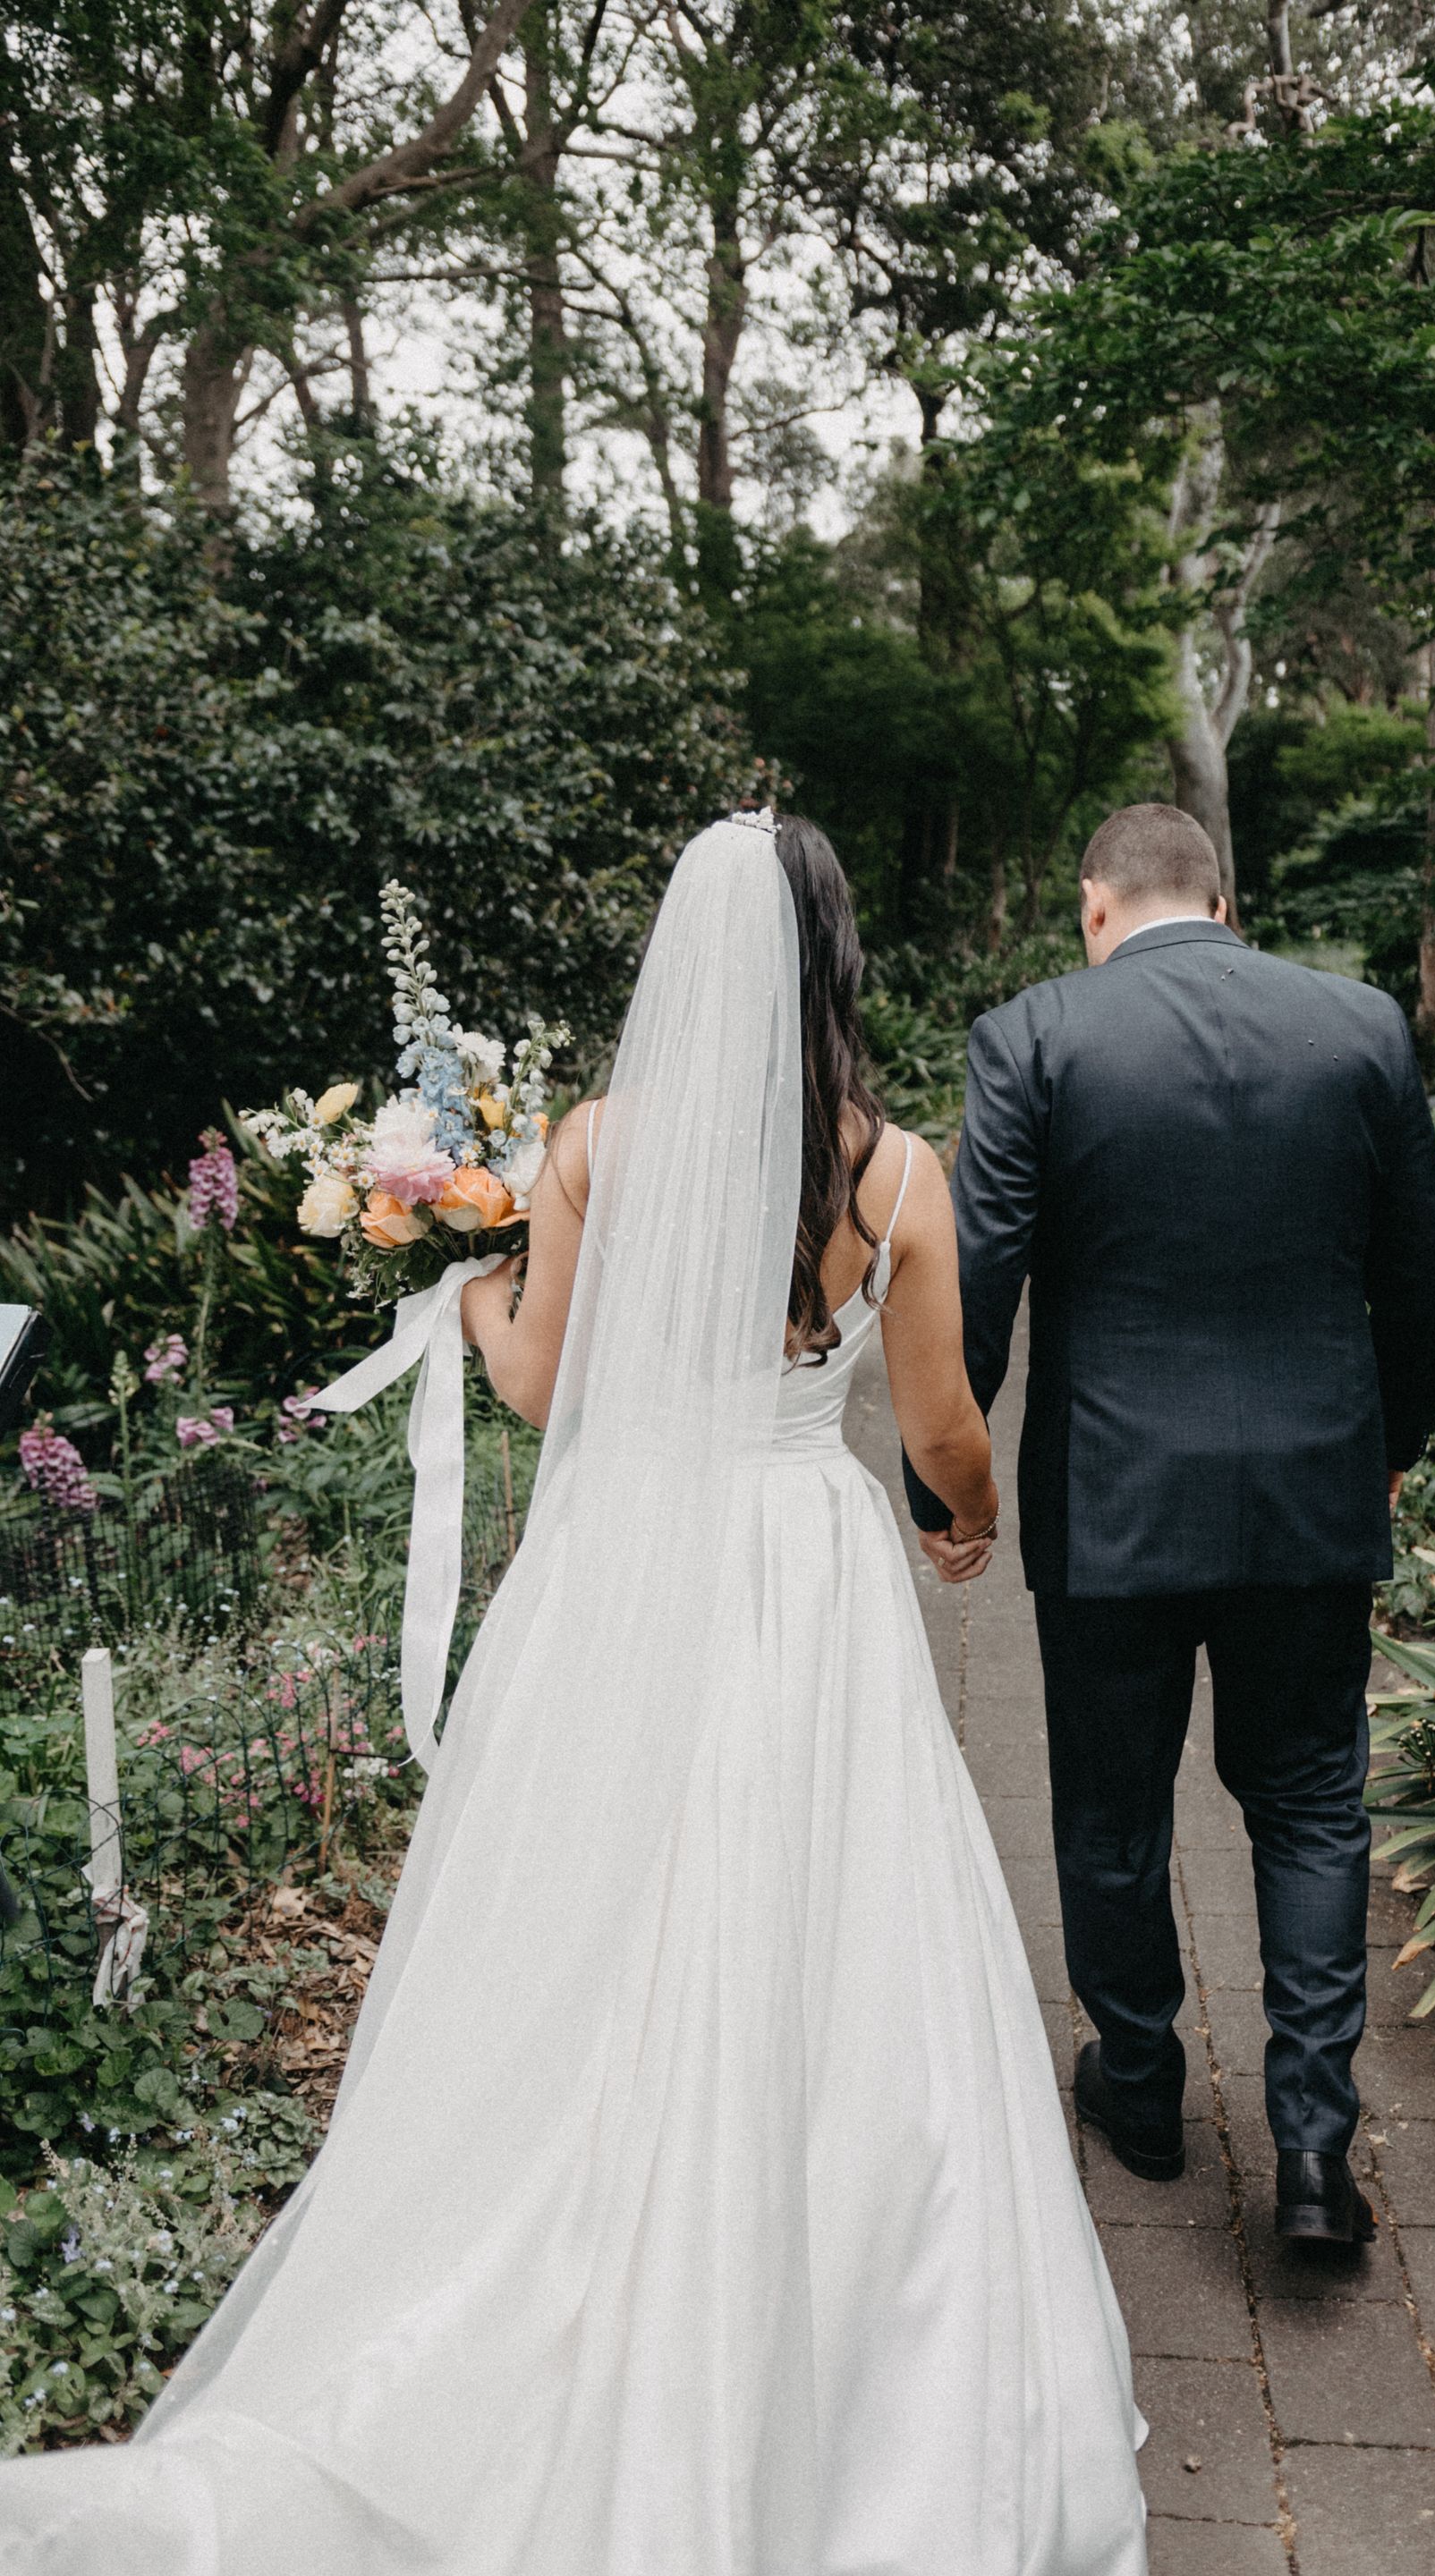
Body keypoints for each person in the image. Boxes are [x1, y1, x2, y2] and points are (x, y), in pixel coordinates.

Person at [0, 814, 1150, 2576]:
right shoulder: (905, 1176)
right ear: (837, 964)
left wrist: (462, 1304)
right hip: (802, 1566)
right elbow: (939, 1430)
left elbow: (541, 1384)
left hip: (625, 1561)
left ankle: (584, 2235)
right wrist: (967, 1528)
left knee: (592, 1891)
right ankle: (818, 2317)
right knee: (817, 1915)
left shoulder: (597, 1144)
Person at [907, 801, 1435, 2248]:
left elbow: (978, 1285)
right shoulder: (1360, 1028)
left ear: (1096, 904)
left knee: (1108, 1812)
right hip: (1309, 1495)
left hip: (1111, 1505)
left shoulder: (1035, 1035)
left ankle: (1143, 2092)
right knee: (1308, 1803)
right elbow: (1422, 1276)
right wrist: (1387, 1450)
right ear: (1227, 896)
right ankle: (1317, 2155)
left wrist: (943, 1493)